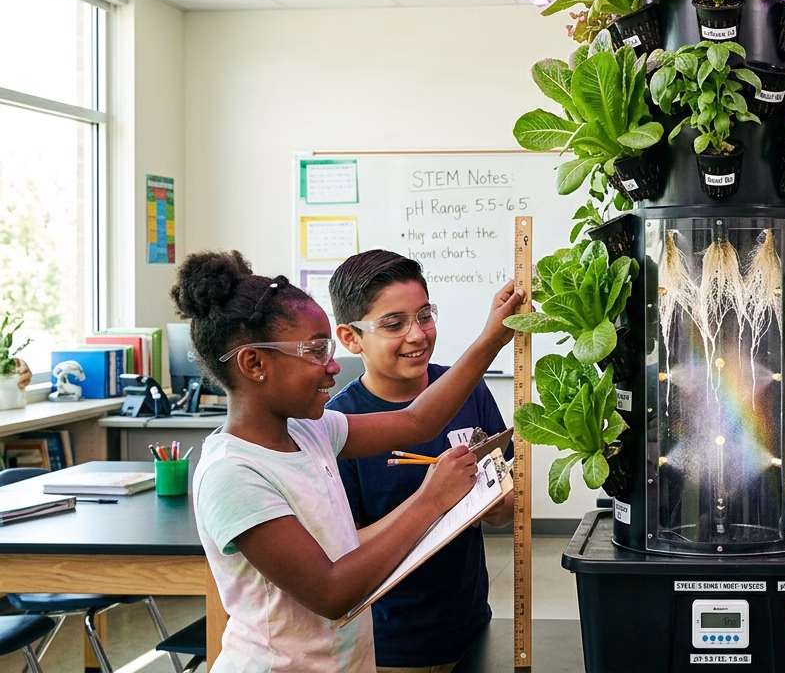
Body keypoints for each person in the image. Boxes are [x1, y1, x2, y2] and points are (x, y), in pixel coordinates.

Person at [170, 250, 521, 672]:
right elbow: (332, 592)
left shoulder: (310, 430)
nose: (333, 366)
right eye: (316, 351)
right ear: (254, 363)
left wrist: (492, 340)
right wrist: (431, 500)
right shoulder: (233, 474)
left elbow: (418, 420)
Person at [327, 249, 513, 672]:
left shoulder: (469, 389)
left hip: (469, 626)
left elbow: (504, 512)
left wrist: (499, 497)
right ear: (350, 337)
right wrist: (435, 499)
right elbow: (345, 551)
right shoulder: (338, 427)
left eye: (425, 315)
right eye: (394, 324)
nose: (418, 335)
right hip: (390, 646)